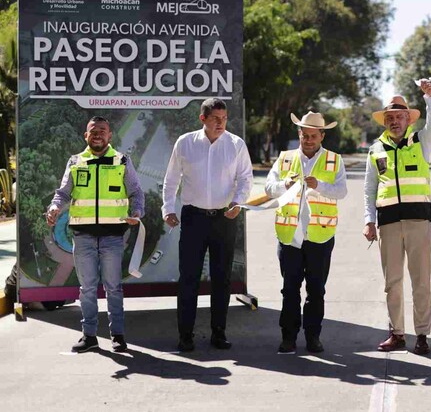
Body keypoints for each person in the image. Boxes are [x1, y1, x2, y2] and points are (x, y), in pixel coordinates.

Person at [46, 116, 144, 353]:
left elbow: (136, 192)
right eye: (93, 131)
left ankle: (118, 335)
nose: (98, 134)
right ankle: (89, 335)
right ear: (86, 136)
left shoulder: (122, 160)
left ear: (110, 136)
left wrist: (137, 212)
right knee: (87, 288)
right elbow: (62, 193)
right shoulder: (76, 162)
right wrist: (54, 207)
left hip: (113, 236)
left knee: (113, 287)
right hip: (83, 236)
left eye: (102, 130)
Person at [162, 98, 253, 352]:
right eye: (215, 118)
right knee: (188, 278)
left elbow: (245, 178)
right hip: (193, 219)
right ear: (202, 119)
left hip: (225, 219)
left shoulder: (236, 144)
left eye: (224, 119)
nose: (220, 123)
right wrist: (168, 209)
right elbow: (171, 180)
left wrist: (238, 202)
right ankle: (186, 335)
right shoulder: (185, 143)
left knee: (222, 278)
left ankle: (219, 333)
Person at [362, 80, 431, 355]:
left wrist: (430, 96)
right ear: (384, 121)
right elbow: (370, 188)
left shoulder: (421, 141)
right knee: (392, 282)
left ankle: (421, 334)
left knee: (421, 280)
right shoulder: (375, 150)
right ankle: (397, 333)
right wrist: (368, 219)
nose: (395, 121)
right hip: (388, 222)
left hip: (418, 220)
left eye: (400, 116)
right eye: (391, 118)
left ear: (408, 119)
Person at [265, 112, 347, 354]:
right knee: (289, 288)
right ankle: (288, 337)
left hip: (319, 236)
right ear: (299, 134)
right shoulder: (285, 159)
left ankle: (313, 337)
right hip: (290, 234)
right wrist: (284, 186)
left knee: (316, 289)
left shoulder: (334, 160)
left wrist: (319, 186)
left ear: (322, 136)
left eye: (313, 136)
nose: (308, 140)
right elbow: (269, 188)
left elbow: (341, 191)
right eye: (304, 135)